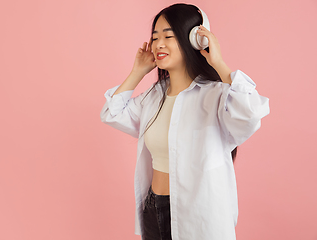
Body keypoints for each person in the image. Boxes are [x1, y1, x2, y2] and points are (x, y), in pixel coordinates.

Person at [100, 3, 270, 240]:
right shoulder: (154, 96)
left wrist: (219, 63)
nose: (158, 44)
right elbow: (112, 113)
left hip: (199, 214)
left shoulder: (217, 94)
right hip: (152, 208)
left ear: (195, 40)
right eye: (155, 36)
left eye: (168, 36)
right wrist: (137, 72)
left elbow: (251, 113)